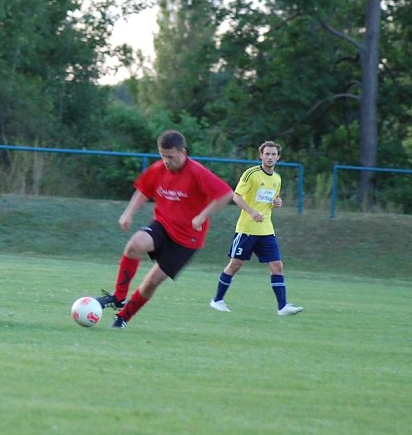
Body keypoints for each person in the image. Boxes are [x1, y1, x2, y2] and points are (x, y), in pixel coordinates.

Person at [94, 130, 234, 329]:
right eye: (162, 155)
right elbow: (143, 190)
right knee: (135, 245)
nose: (166, 160)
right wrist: (128, 213)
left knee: (151, 281)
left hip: (187, 240)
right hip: (163, 225)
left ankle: (122, 318)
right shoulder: (158, 169)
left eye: (170, 156)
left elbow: (225, 194)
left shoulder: (197, 172)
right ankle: (119, 297)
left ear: (182, 151)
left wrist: (202, 215)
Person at [209, 141, 304, 316]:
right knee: (235, 265)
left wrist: (278, 202)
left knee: (277, 266)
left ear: (278, 157)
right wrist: (251, 211)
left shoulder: (277, 178)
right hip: (247, 230)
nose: (270, 157)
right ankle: (217, 300)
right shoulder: (251, 174)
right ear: (261, 155)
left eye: (273, 154)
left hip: (267, 230)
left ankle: (282, 307)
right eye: (266, 154)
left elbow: (271, 200)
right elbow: (236, 196)